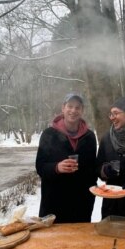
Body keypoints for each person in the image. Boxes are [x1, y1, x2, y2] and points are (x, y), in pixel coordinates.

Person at [36, 93, 97, 223]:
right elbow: (40, 167)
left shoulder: (89, 137)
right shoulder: (49, 135)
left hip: (81, 203)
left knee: (79, 241)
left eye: (77, 107)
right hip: (54, 201)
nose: (73, 111)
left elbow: (92, 169)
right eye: (70, 106)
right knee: (52, 242)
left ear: (82, 111)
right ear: (63, 108)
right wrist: (57, 167)